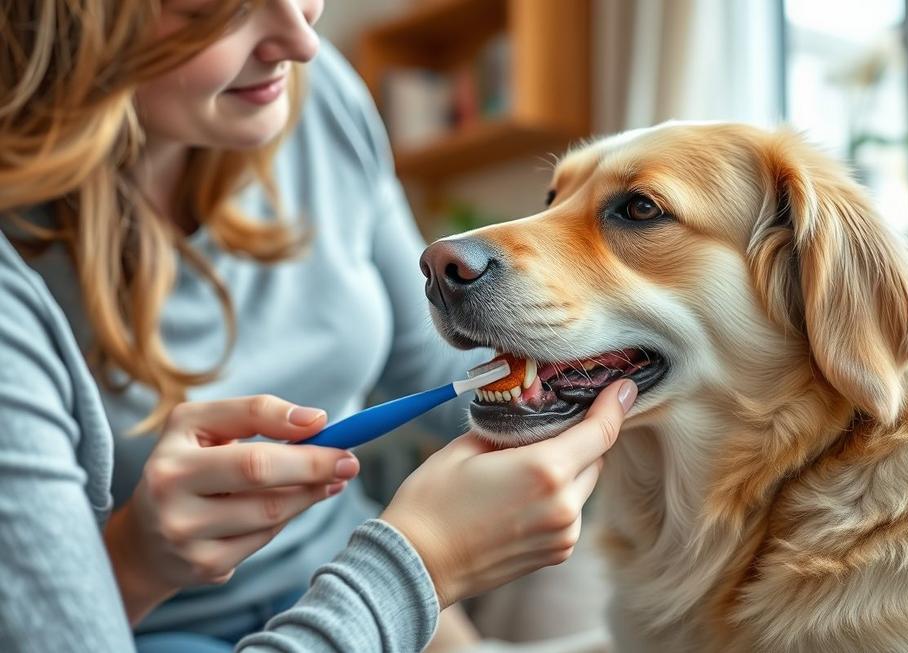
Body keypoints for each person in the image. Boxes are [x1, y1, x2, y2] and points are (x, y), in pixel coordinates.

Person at [0, 1, 638, 652]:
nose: (302, 41)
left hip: (350, 574)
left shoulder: (310, 95)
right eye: (215, 9)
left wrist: (611, 378)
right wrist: (135, 562)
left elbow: (434, 368)